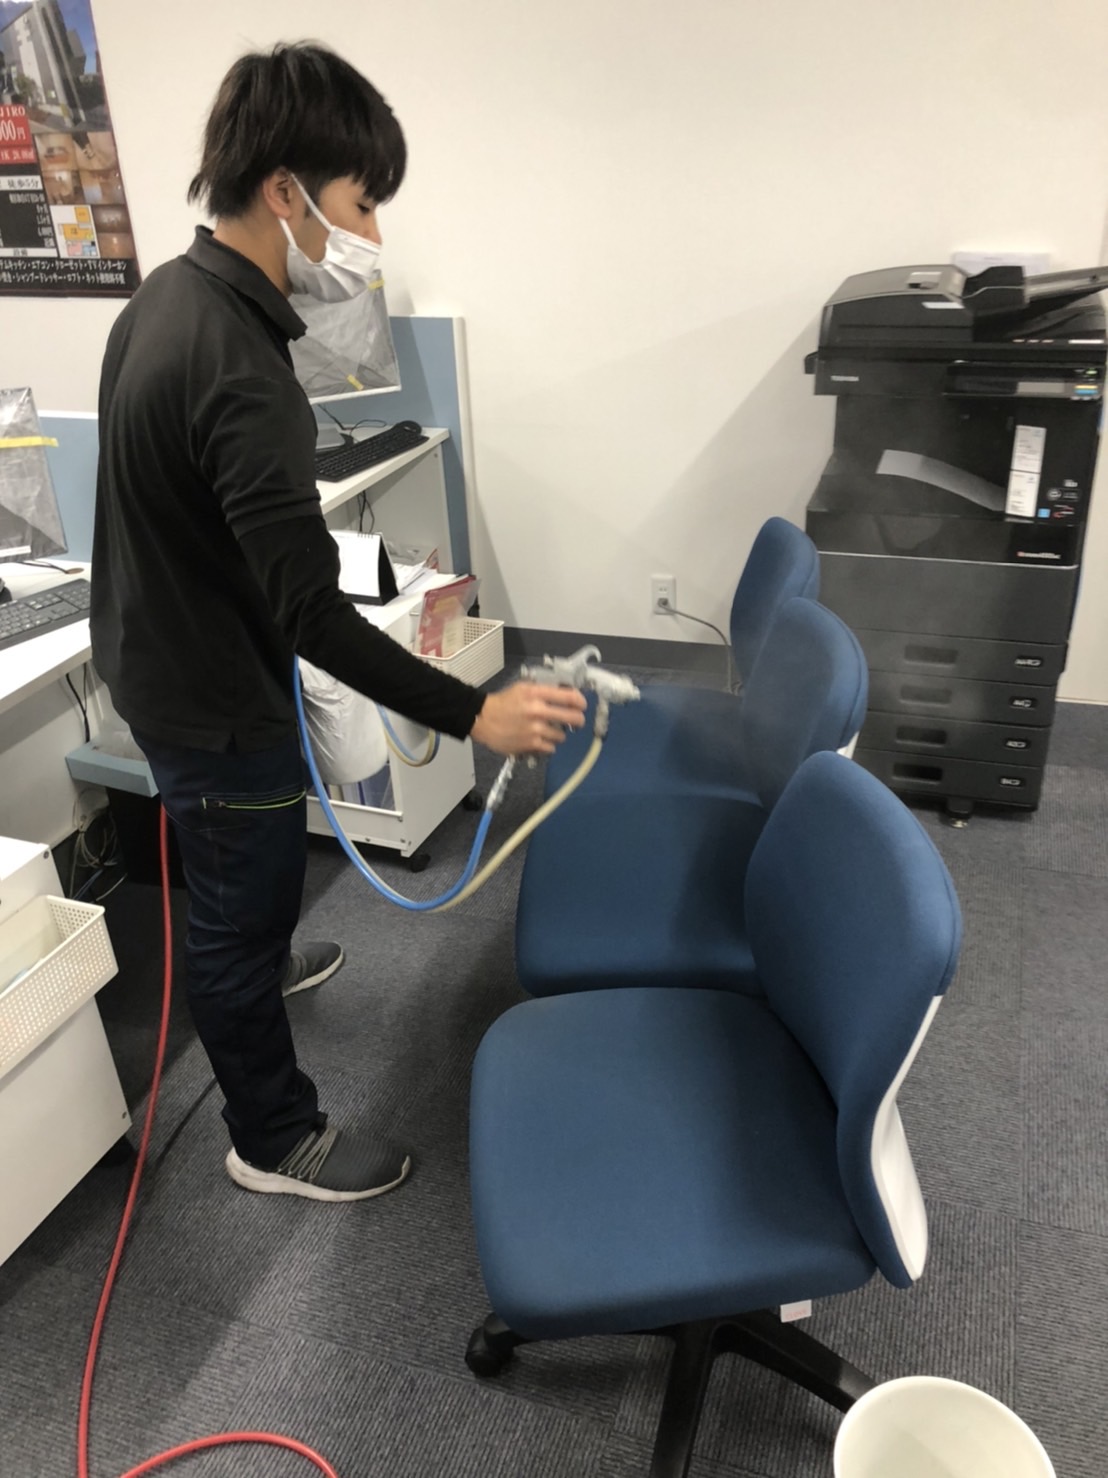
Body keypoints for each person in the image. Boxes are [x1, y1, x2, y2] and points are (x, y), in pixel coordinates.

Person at [89, 43, 587, 1205]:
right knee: (235, 903)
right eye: (361, 204)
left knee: (242, 889)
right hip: (214, 703)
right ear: (286, 191)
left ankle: (257, 950)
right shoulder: (239, 365)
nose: (369, 234)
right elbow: (311, 610)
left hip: (161, 658)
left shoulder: (167, 297)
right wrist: (473, 711)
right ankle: (274, 1138)